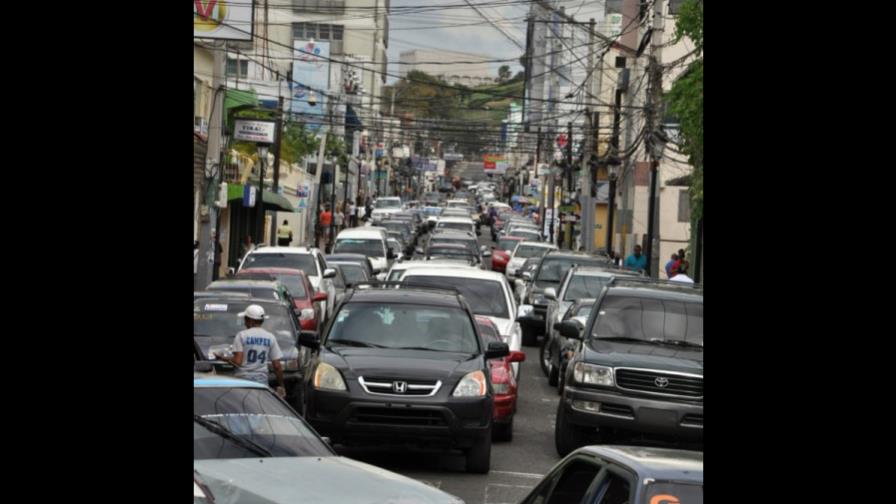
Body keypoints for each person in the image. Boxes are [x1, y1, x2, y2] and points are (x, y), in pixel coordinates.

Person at [214, 304, 286, 397]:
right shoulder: (270, 337)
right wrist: (281, 385)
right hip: (261, 382)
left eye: (245, 319)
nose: (244, 322)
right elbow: (277, 366)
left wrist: (223, 358)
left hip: (242, 381)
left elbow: (237, 362)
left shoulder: (241, 335)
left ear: (250, 320)